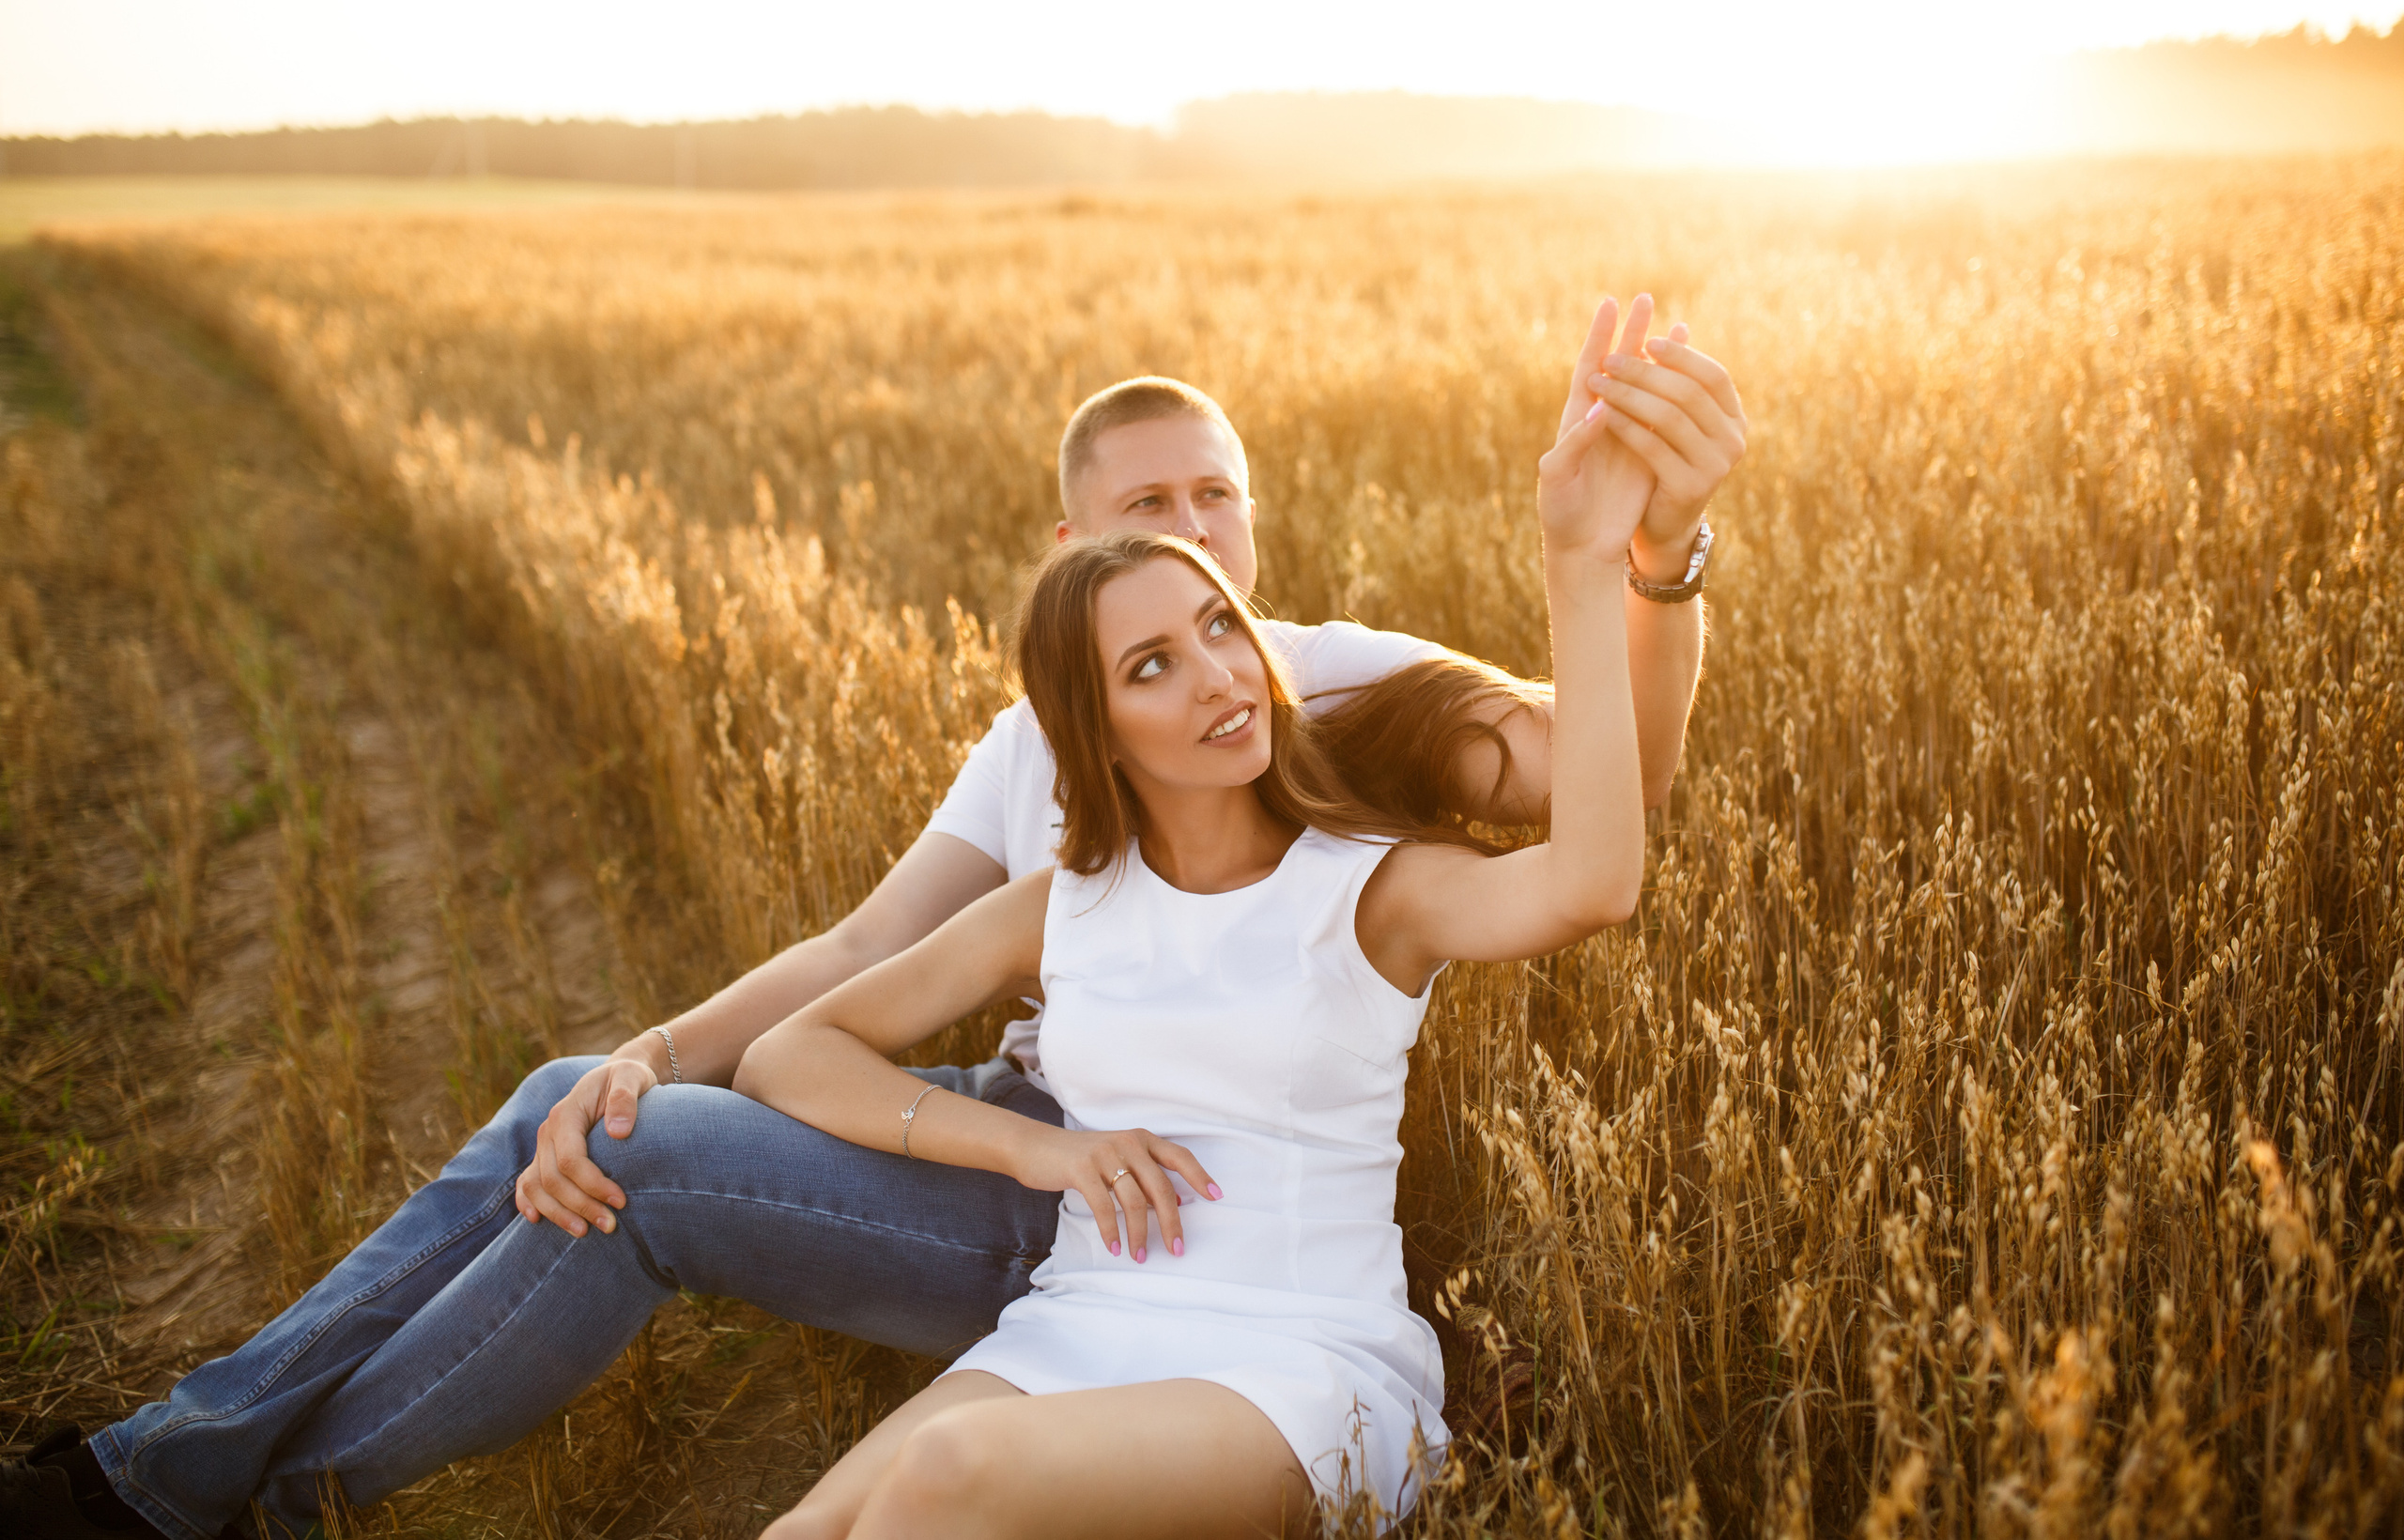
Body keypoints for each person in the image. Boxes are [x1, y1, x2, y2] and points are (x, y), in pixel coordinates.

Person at [4, 296, 1745, 1538]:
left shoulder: (1340, 688)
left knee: (654, 1175)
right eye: (1151, 513)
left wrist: (1643, 564)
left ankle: (212, 1490)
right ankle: (184, 1458)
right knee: (582, 1101)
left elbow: (1607, 792)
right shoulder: (1050, 770)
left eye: (1218, 499)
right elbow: (852, 963)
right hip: (1031, 1162)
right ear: (1072, 559)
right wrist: (636, 1054)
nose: (1202, 538)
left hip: (1162, 1212)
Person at [732, 364, 1655, 1537]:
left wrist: (1583, 562)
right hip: (1075, 1325)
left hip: (1299, 1360)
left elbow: (1593, 880)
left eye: (1218, 625)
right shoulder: (1060, 905)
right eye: (1150, 665)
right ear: (1096, 736)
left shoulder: (1373, 886)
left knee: (946, 1479)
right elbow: (789, 1055)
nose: (1219, 676)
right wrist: (1033, 1152)